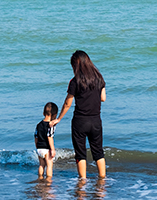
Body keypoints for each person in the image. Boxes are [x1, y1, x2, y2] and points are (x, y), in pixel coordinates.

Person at [51, 50, 106, 178]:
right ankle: (103, 179)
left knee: (80, 153)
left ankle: (82, 180)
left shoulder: (75, 81)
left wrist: (59, 118)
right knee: (98, 152)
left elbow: (67, 103)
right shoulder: (99, 78)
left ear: (75, 66)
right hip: (96, 121)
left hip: (80, 121)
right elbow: (103, 98)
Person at [34, 102, 58, 180]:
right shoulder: (51, 125)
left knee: (41, 165)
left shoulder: (38, 125)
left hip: (39, 148)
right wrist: (53, 149)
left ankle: (40, 178)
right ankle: (48, 180)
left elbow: (36, 137)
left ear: (43, 113)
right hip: (47, 149)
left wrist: (37, 147)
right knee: (49, 165)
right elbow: (49, 137)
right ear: (54, 115)